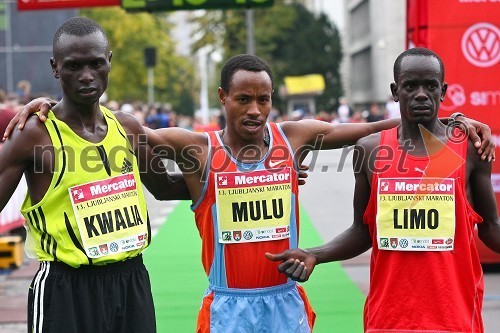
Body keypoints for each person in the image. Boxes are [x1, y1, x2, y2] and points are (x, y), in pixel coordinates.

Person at [5, 54, 495, 333]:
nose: (256, 110)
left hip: (286, 303)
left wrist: (448, 121)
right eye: (243, 98)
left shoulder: (293, 137)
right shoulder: (197, 148)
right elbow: (113, 126)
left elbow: (368, 124)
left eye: (264, 99)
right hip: (227, 308)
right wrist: (51, 103)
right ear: (223, 99)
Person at [266, 48, 500, 333]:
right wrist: (316, 253)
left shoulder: (470, 150)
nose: (421, 94)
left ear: (444, 91)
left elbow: (490, 227)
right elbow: (362, 230)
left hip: (453, 317)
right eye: (410, 86)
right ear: (395, 91)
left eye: (431, 86)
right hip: (388, 318)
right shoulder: (370, 150)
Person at [0, 17, 189, 333]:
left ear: (109, 62)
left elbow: (167, 187)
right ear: (55, 67)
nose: (87, 76)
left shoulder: (126, 127)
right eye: (74, 66)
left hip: (131, 282)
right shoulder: (34, 134)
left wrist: (240, 180)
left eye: (96, 64)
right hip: (65, 288)